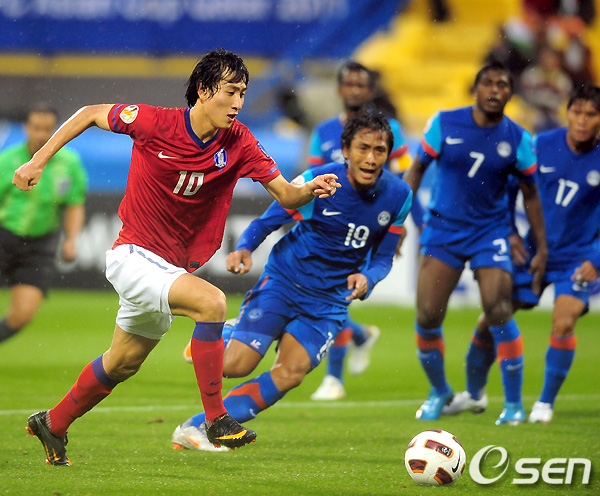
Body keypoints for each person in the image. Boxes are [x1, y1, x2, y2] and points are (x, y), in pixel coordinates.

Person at [13, 48, 341, 466]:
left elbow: (287, 195)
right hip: (133, 255)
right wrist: (38, 161)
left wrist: (310, 188)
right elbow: (90, 113)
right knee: (212, 303)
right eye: (230, 92)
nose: (238, 103)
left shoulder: (239, 141)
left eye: (243, 93)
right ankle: (216, 418)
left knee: (123, 363)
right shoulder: (155, 122)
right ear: (203, 90)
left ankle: (53, 422)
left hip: (168, 268)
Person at [171, 112, 412, 451]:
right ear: (346, 150)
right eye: (363, 148)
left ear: (388, 154)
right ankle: (224, 332)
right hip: (284, 283)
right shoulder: (318, 181)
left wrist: (368, 277)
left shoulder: (399, 195)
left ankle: (198, 426)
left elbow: (384, 257)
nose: (371, 159)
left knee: (290, 374)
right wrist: (244, 248)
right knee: (235, 366)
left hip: (329, 301)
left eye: (380, 150)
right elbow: (267, 221)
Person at [445, 84, 600, 423]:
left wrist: (596, 260)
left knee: (564, 322)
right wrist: (510, 232)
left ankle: (544, 403)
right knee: (491, 320)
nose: (582, 120)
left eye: (591, 114)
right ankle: (474, 393)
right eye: (577, 112)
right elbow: (507, 188)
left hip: (577, 256)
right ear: (567, 112)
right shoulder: (541, 144)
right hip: (531, 251)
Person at [403, 61, 548, 425]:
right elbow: (416, 170)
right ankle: (440, 391)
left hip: (490, 232)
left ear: (510, 93)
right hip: (443, 229)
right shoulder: (443, 123)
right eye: (488, 83)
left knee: (498, 309)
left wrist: (542, 247)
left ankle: (513, 405)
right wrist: (396, 218)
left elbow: (531, 195)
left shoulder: (519, 138)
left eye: (503, 84)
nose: (495, 90)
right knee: (427, 315)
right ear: (476, 88)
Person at [307, 60, 423, 401]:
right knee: (325, 294)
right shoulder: (323, 132)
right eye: (349, 84)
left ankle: (334, 378)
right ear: (339, 89)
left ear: (370, 91)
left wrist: (408, 226)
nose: (355, 91)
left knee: (337, 292)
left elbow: (405, 179)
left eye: (361, 85)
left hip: (372, 224)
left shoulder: (390, 130)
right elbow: (311, 184)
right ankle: (359, 336)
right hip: (330, 227)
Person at [0, 104, 87, 344]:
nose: (41, 134)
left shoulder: (69, 163)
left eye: (47, 129)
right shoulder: (7, 161)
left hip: (39, 244)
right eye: (36, 128)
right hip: (4, 235)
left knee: (23, 313)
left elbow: (74, 203)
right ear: (26, 128)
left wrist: (71, 239)